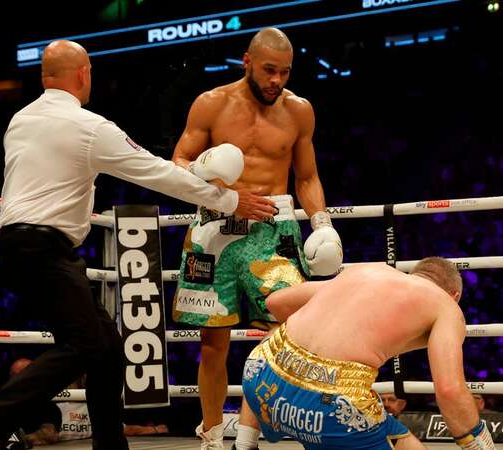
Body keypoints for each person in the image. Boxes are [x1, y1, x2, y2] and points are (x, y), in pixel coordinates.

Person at [0, 40, 276, 450]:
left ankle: (110, 445)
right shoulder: (89, 127)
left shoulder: (20, 119)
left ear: (44, 77)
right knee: (85, 344)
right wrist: (230, 200)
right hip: (42, 246)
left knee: (106, 348)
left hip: (19, 246)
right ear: (84, 73)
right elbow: (156, 173)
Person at [170, 27, 343, 449]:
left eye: (284, 72)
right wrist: (221, 190)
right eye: (269, 70)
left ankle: (290, 423)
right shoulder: (210, 104)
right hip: (213, 230)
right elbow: (178, 162)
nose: (276, 81)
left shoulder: (299, 111)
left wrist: (322, 223)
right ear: (246, 61)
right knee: (212, 344)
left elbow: (306, 176)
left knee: (292, 329)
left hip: (273, 230)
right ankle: (212, 434)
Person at [240, 258, 494, 449]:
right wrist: (479, 442)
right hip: (331, 408)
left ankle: (242, 443)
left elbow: (276, 302)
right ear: (455, 296)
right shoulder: (445, 306)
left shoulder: (366, 271)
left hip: (261, 381)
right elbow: (449, 390)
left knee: (275, 336)